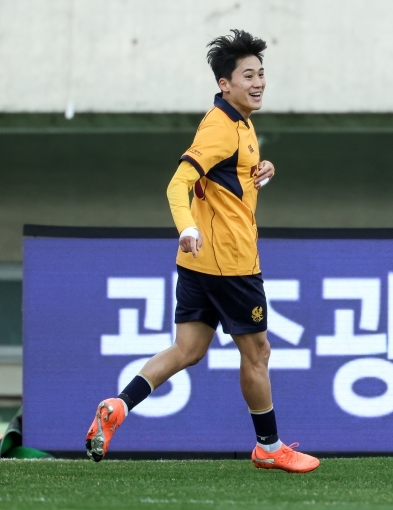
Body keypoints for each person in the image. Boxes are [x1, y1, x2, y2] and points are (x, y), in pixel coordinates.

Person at [85, 30, 320, 473]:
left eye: (261, 73)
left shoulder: (239, 122)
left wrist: (261, 170)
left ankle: (119, 405)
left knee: (188, 349)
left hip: (199, 264)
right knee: (258, 353)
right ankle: (269, 447)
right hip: (230, 262)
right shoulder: (220, 127)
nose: (258, 82)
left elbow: (225, 175)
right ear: (224, 84)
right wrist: (187, 226)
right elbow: (178, 184)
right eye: (248, 75)